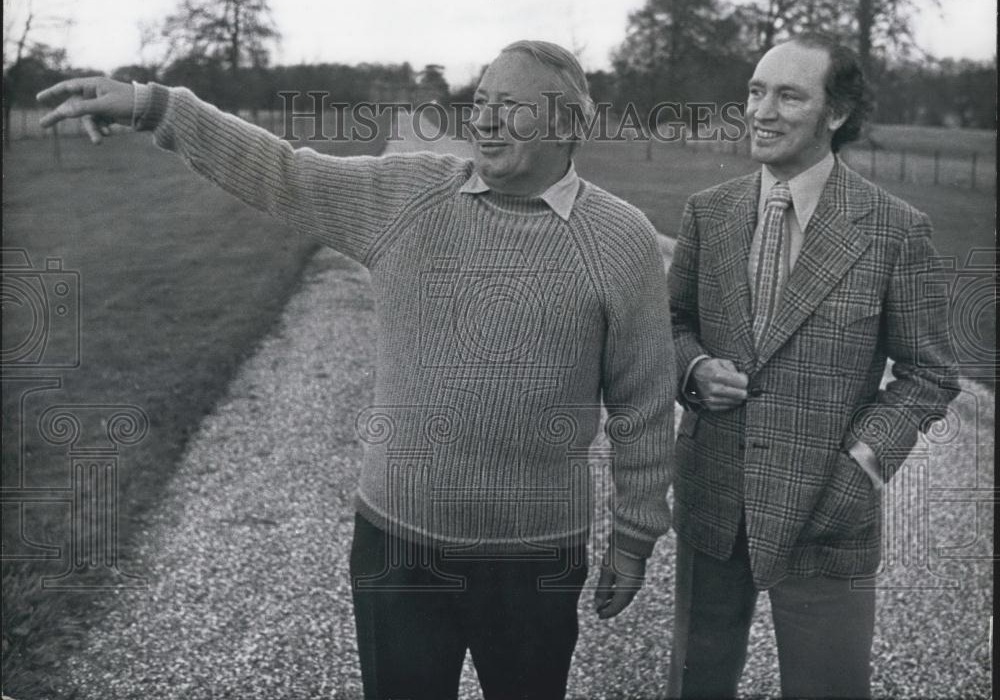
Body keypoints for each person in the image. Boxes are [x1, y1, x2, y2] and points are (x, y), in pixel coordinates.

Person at [38, 39, 676, 700]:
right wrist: (152, 105)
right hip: (396, 543)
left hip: (535, 556)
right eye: (480, 102)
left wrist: (634, 538)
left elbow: (643, 403)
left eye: (509, 107)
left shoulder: (619, 238)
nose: (483, 121)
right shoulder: (410, 195)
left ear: (568, 125)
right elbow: (281, 172)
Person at [666, 34, 959, 699]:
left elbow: (929, 374)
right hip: (714, 498)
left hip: (829, 510)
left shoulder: (895, 230)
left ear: (836, 113)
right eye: (755, 91)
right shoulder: (708, 214)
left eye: (788, 95)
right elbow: (669, 325)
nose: (761, 112)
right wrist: (693, 369)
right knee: (695, 682)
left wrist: (861, 468)